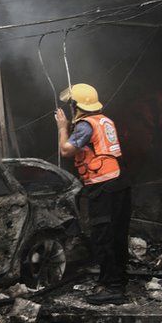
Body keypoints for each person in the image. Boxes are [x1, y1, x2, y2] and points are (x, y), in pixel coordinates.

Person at [56, 83, 132, 305]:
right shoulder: (104, 120)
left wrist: (62, 127)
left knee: (103, 236)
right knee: (117, 234)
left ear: (77, 106)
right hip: (118, 181)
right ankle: (115, 280)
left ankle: (114, 289)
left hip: (104, 187)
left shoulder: (85, 126)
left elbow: (66, 150)